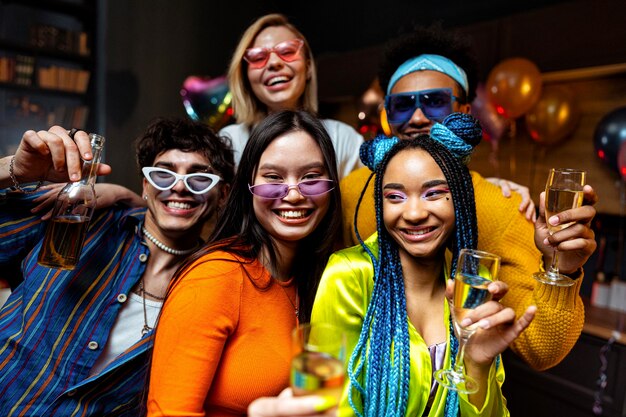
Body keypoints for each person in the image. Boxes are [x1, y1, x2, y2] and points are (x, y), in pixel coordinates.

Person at [340, 25, 597, 371]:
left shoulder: (500, 206)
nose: (417, 118)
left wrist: (562, 271)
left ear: (466, 112)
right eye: (401, 106)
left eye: (436, 102)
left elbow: (542, 348)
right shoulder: (352, 192)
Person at [0, 117, 234, 416]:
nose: (179, 187)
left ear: (222, 195)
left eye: (200, 178)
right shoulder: (79, 216)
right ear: (146, 185)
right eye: (164, 174)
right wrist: (13, 169)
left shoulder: (214, 283)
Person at [312, 113, 536, 415]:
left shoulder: (473, 282)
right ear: (380, 205)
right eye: (395, 196)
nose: (414, 213)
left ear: (459, 199)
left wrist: (477, 366)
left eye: (433, 193)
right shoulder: (349, 274)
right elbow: (324, 405)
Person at [147, 110, 342, 416]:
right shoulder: (216, 276)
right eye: (273, 177)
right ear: (248, 187)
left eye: (311, 178)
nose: (293, 194)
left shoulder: (317, 280)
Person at [219, 13, 363, 180]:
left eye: (287, 51)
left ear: (308, 67)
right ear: (245, 77)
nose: (274, 63)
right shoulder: (230, 142)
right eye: (258, 57)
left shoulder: (344, 139)